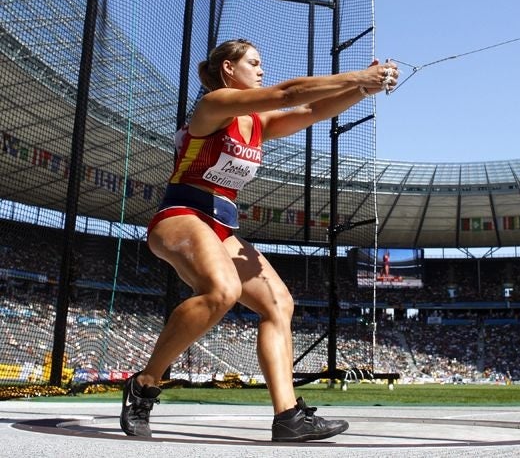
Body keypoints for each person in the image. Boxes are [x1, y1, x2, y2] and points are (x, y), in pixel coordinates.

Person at [120, 38, 399, 442]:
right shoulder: (214, 105)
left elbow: (309, 110)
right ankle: (145, 383)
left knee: (279, 304)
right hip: (180, 216)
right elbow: (288, 93)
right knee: (222, 290)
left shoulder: (258, 124)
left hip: (219, 228)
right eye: (254, 62)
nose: (262, 70)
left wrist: (362, 90)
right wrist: (359, 74)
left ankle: (288, 416)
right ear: (229, 70)